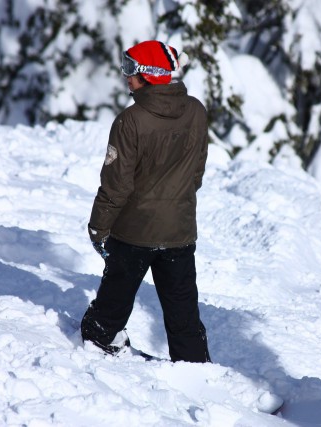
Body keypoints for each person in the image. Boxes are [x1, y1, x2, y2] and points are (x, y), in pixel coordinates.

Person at [80, 40, 211, 363]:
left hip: (133, 233)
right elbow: (197, 173)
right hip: (179, 231)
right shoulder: (196, 111)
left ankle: (102, 340)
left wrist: (99, 228)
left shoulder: (130, 121)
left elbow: (116, 184)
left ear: (149, 75)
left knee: (109, 309)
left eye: (130, 70)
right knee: (183, 310)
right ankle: (194, 365)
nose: (125, 77)